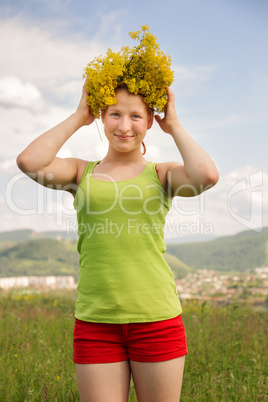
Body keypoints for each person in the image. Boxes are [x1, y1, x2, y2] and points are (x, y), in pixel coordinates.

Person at [17, 27, 219, 402]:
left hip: (157, 320)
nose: (124, 126)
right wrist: (79, 116)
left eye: (136, 116)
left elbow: (207, 175)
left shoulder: (162, 175)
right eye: (114, 114)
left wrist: (173, 125)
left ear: (148, 121)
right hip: (96, 323)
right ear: (102, 117)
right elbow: (29, 161)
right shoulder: (81, 173)